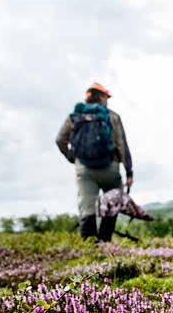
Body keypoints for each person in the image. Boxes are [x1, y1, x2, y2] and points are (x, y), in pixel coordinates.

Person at [56, 82, 134, 241]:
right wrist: (129, 171)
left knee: (87, 209)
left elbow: (60, 140)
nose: (108, 100)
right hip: (110, 168)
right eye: (107, 97)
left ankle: (89, 249)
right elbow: (122, 145)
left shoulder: (74, 116)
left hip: (84, 170)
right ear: (102, 97)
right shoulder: (112, 117)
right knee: (112, 206)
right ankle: (105, 244)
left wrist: (73, 157)